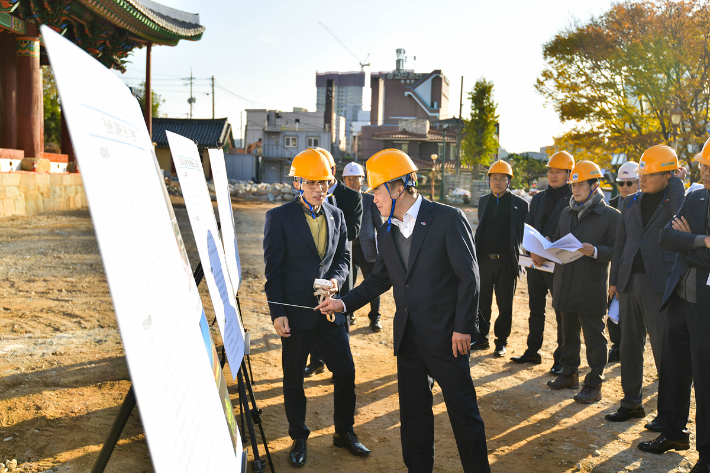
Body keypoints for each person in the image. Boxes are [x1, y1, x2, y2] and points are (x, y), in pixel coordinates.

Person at [316, 149, 491, 473]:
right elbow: (381, 278)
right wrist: (344, 303)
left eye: (378, 191)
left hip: (448, 339)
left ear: (399, 188)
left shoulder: (447, 219)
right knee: (413, 417)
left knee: (464, 416)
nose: (374, 200)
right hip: (409, 339)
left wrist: (463, 328)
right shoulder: (387, 230)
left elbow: (470, 278)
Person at [263, 148, 370, 467]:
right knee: (293, 378)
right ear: (298, 183)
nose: (319, 188)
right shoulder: (279, 218)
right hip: (294, 314)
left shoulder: (337, 215)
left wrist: (337, 281)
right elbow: (274, 271)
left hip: (330, 311)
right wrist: (277, 313)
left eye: (324, 182)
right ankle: (298, 436)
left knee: (346, 372)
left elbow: (343, 259)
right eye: (311, 182)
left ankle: (344, 431)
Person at [637, 144, 710, 473]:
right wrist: (700, 240)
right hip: (680, 299)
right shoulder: (696, 198)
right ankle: (673, 432)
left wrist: (689, 241)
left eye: (709, 166)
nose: (703, 171)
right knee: (673, 371)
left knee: (706, 380)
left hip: (706, 307)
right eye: (703, 166)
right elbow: (667, 237)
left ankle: (707, 455)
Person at [606, 146, 684, 429]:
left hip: (659, 284)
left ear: (668, 176)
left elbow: (681, 212)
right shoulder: (629, 202)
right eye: (641, 173)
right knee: (628, 346)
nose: (642, 178)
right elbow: (622, 243)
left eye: (650, 174)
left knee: (665, 351)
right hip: (628, 282)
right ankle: (631, 402)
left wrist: (676, 181)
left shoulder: (674, 200)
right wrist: (614, 280)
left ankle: (669, 414)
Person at [546, 160, 620, 404]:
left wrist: (596, 251)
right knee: (567, 335)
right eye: (573, 185)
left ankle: (594, 383)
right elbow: (558, 241)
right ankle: (569, 374)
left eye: (580, 185)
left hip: (590, 287)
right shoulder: (566, 213)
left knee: (594, 339)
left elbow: (617, 250)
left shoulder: (610, 216)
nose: (575, 189)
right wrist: (545, 249)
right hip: (565, 283)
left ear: (595, 185)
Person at [511, 151, 574, 374]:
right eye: (550, 171)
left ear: (569, 174)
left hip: (558, 265)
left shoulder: (573, 199)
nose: (553, 175)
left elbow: (572, 232)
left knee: (560, 313)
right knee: (535, 309)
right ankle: (532, 351)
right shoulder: (537, 198)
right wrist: (531, 250)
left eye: (558, 172)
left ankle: (561, 358)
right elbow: (528, 227)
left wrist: (549, 249)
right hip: (536, 263)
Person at [304, 148, 362, 377]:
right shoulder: (305, 196)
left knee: (338, 317)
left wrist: (331, 227)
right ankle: (316, 360)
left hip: (338, 267)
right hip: (312, 269)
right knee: (314, 312)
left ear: (333, 171)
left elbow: (354, 231)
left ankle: (339, 366)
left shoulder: (352, 196)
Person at [473, 160, 529, 356]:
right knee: (482, 302)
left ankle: (501, 342)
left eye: (502, 178)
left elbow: (526, 233)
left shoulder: (520, 205)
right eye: (494, 178)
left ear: (509, 181)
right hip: (484, 260)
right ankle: (481, 339)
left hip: (507, 261)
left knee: (505, 304)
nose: (498, 182)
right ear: (489, 180)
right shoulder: (483, 201)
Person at [342, 161, 384, 332]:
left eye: (356, 178)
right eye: (349, 178)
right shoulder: (340, 200)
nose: (352, 181)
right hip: (347, 249)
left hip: (368, 249)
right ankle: (348, 314)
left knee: (373, 285)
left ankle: (375, 318)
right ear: (343, 180)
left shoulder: (370, 199)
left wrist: (383, 250)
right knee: (346, 284)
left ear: (362, 179)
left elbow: (380, 226)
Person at [606, 161, 640, 363]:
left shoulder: (643, 206)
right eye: (621, 183)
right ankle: (617, 345)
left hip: (636, 268)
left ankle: (632, 347)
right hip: (615, 265)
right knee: (613, 305)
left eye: (630, 183)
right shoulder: (610, 207)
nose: (625, 187)